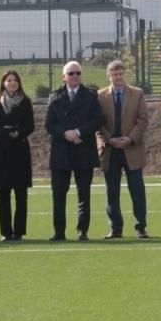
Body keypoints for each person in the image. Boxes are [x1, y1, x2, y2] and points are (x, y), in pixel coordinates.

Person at [46, 61, 103, 241]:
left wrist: (79, 132)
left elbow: (97, 120)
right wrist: (66, 134)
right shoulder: (54, 97)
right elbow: (49, 124)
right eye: (71, 73)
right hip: (61, 151)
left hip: (83, 149)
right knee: (58, 194)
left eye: (78, 73)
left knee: (83, 193)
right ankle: (59, 231)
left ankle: (82, 230)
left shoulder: (91, 96)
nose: (75, 76)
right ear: (64, 76)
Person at [96, 59, 148, 239]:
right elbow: (98, 122)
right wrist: (109, 139)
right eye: (114, 74)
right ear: (108, 76)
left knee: (137, 190)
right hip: (110, 150)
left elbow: (142, 120)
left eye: (120, 74)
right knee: (112, 192)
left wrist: (130, 138)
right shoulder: (100, 96)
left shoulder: (137, 94)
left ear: (125, 74)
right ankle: (115, 228)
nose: (118, 77)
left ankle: (141, 226)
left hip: (131, 149)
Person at [0, 69, 35, 242]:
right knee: (3, 194)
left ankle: (19, 231)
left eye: (15, 80)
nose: (12, 83)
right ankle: (6, 232)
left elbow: (30, 126)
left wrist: (18, 133)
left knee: (21, 194)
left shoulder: (26, 102)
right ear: (4, 83)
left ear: (19, 83)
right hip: (1, 152)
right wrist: (3, 133)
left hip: (20, 151)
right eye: (9, 80)